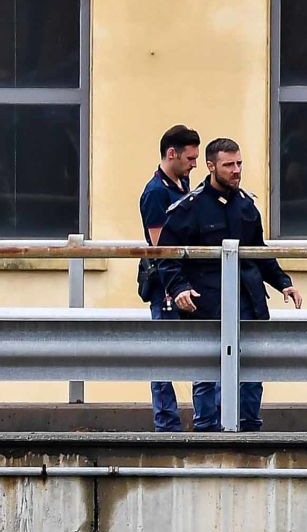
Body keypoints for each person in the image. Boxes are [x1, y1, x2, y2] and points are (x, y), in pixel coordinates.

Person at [157, 137, 302, 432]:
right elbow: (168, 257)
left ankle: (249, 430)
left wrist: (283, 283)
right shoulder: (190, 209)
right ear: (211, 167)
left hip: (247, 301)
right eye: (229, 165)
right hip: (208, 303)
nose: (236, 171)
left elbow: (259, 253)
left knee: (250, 370)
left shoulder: (246, 206)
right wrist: (179, 288)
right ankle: (207, 431)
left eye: (239, 164)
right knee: (207, 372)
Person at [138, 124, 200, 432]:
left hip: (186, 279)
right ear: (171, 154)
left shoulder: (182, 183)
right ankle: (166, 424)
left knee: (197, 351)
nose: (194, 164)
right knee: (164, 355)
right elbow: (162, 245)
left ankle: (202, 419)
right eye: (189, 158)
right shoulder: (156, 192)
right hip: (165, 282)